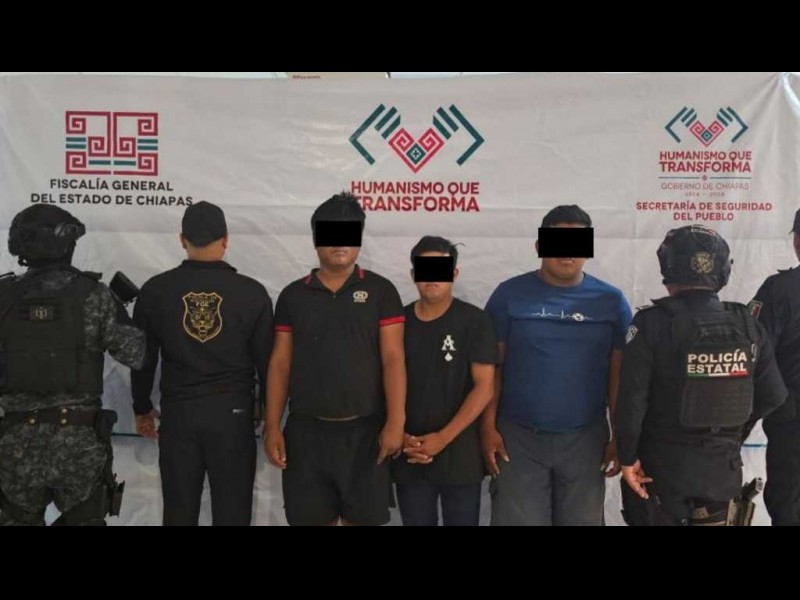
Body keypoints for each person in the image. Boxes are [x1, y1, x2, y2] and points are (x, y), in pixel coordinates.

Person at [617, 224, 787, 526]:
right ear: (723, 270)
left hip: (662, 470)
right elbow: (773, 395)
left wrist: (627, 458)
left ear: (668, 266)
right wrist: (732, 432)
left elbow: (631, 401)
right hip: (722, 469)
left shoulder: (650, 324)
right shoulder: (747, 325)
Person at [482, 204, 631, 526]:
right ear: (539, 246)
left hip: (585, 440)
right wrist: (487, 427)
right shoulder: (508, 296)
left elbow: (619, 377)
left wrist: (620, 435)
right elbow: (491, 370)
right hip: (517, 438)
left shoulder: (611, 302)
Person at [264, 192, 406, 526]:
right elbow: (280, 363)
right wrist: (272, 426)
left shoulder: (381, 291)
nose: (339, 242)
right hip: (306, 434)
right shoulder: (293, 296)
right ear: (316, 238)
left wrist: (396, 422)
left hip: (366, 433)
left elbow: (393, 358)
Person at [0, 205, 145, 526]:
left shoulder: (2, 296)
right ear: (67, 244)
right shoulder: (94, 296)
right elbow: (135, 354)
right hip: (78, 445)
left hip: (16, 445)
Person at [132, 201, 273, 526]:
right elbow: (268, 363)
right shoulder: (251, 293)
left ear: (182, 240)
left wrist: (141, 408)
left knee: (179, 514)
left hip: (179, 416)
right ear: (226, 240)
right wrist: (271, 413)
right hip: (233, 417)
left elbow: (142, 358)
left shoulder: (156, 291)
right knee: (233, 515)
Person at [393, 236, 496, 526]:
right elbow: (382, 382)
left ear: (454, 273)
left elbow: (485, 386)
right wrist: (399, 434)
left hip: (459, 452)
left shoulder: (475, 321)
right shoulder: (397, 323)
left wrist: (443, 438)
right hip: (410, 451)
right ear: (413, 274)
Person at [749, 209, 800, 525]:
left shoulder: (781, 289)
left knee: (790, 507)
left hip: (792, 425)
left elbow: (752, 354)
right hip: (789, 418)